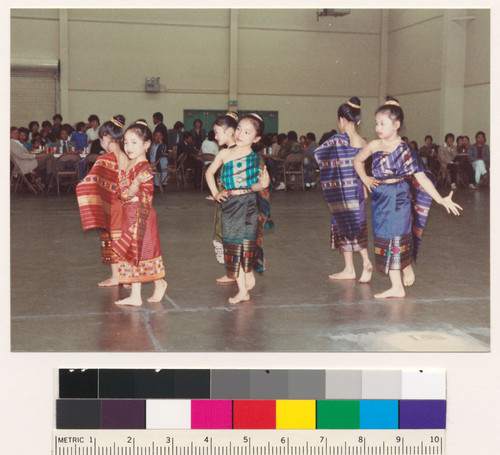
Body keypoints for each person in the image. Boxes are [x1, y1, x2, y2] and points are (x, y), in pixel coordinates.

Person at [353, 96, 462, 299]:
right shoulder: (375, 145)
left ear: (396, 125)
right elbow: (357, 161)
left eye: (382, 123)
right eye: (376, 122)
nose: (378, 127)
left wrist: (440, 199)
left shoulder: (405, 150)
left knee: (396, 235)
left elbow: (421, 178)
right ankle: (406, 266)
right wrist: (365, 179)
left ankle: (397, 287)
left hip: (399, 197)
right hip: (380, 199)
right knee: (385, 237)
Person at [205, 113, 270, 304]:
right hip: (230, 207)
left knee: (246, 248)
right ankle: (243, 290)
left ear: (256, 139)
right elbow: (210, 173)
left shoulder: (256, 159)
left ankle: (246, 280)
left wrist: (263, 185)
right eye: (239, 129)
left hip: (249, 205)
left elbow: (255, 187)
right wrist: (217, 193)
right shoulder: (224, 154)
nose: (241, 134)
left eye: (247, 132)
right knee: (234, 248)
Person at [314, 97, 373, 283]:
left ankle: (356, 266)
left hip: (342, 191)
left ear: (341, 120)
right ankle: (358, 264)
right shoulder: (363, 142)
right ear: (359, 121)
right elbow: (362, 168)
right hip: (357, 190)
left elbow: (318, 156)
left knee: (342, 225)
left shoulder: (338, 140)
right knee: (357, 225)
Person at [111, 119, 167, 306]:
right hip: (129, 214)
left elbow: (146, 198)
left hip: (141, 216)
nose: (128, 146)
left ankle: (158, 283)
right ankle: (137, 294)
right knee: (134, 253)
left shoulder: (144, 168)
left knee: (142, 252)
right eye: (125, 142)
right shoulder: (129, 164)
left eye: (134, 142)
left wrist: (133, 189)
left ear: (147, 144)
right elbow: (122, 193)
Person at [76, 115, 129, 287]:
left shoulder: (104, 159)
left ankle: (116, 276)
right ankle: (126, 276)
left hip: (112, 206)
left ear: (106, 137)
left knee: (112, 239)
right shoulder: (125, 157)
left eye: (101, 138)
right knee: (124, 240)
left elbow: (89, 183)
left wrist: (81, 188)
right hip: (125, 205)